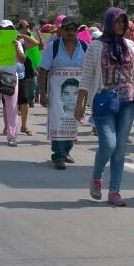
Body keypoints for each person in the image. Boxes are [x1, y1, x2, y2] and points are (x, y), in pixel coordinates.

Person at [75, 7, 134, 207]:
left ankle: (115, 191)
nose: (120, 26)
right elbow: (86, 76)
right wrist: (80, 104)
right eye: (117, 22)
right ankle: (96, 177)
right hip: (104, 101)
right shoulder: (96, 46)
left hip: (127, 102)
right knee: (109, 144)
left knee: (120, 149)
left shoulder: (130, 45)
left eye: (123, 22)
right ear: (108, 23)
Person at [39, 17, 87, 169]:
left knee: (72, 121)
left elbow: (89, 71)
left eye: (74, 29)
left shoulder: (85, 47)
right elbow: (42, 71)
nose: (70, 32)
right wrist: (42, 93)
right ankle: (58, 155)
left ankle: (66, 150)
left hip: (77, 93)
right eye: (67, 29)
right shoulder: (52, 47)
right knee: (58, 121)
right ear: (60, 30)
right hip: (57, 94)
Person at [15, 22, 42, 137]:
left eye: (28, 27)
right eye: (25, 27)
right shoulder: (6, 42)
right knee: (8, 104)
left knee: (25, 101)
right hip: (8, 74)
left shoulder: (23, 42)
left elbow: (37, 43)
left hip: (22, 74)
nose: (27, 29)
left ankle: (24, 126)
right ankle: (8, 127)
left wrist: (24, 36)